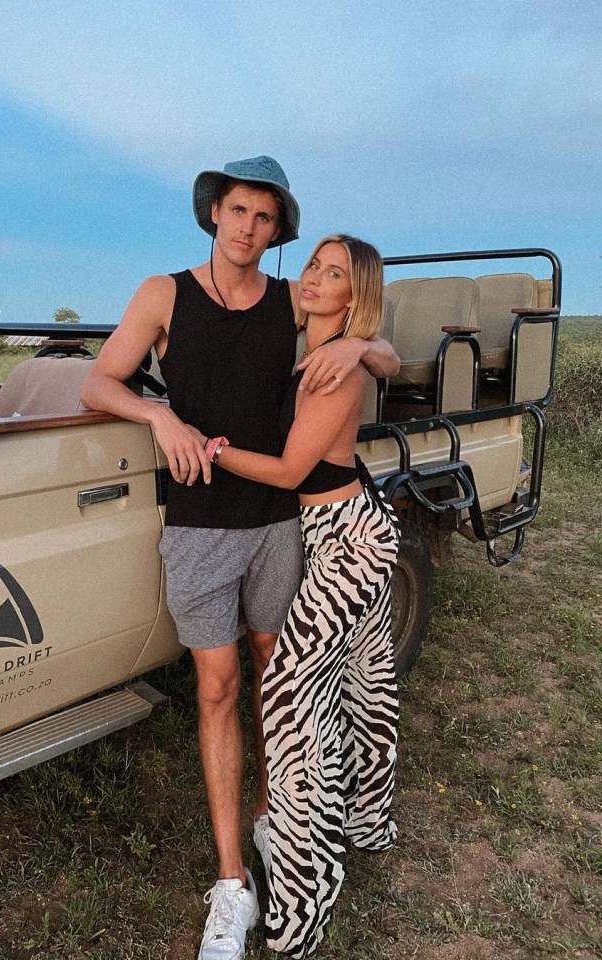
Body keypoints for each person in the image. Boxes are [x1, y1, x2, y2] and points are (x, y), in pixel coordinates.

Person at [80, 158, 399, 960]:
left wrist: (363, 347)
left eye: (265, 218)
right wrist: (158, 415)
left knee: (276, 679)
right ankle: (232, 885)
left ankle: (276, 820)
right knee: (217, 690)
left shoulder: (291, 300)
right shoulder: (164, 293)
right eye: (238, 212)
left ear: (276, 230)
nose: (249, 229)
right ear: (213, 213)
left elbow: (374, 333)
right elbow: (98, 384)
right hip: (196, 524)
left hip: (276, 522)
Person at [203, 235, 400, 957]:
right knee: (362, 683)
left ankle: (302, 889)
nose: (315, 278)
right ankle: (364, 818)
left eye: (335, 274)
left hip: (348, 536)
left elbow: (289, 471)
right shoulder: (301, 336)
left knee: (289, 696)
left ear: (357, 294)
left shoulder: (333, 369)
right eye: (313, 265)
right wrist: (362, 346)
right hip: (317, 531)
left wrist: (209, 447)